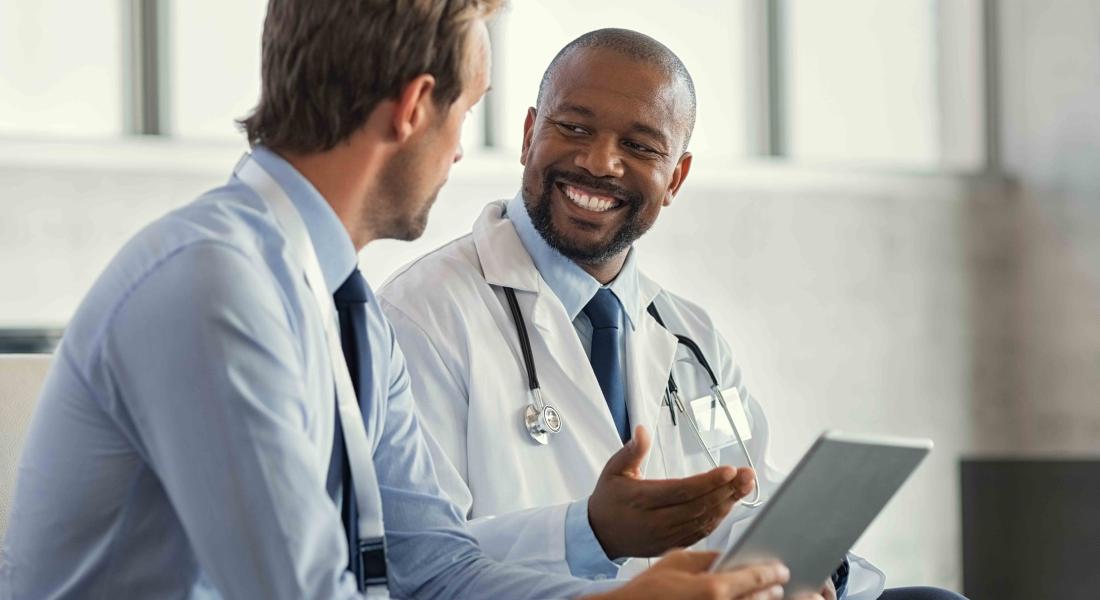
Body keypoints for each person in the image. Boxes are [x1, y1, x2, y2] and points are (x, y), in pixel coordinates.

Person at [0, 4, 813, 600]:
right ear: (415, 106)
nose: (464, 146)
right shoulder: (215, 288)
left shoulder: (343, 309)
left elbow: (433, 572)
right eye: (466, 109)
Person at [377, 29, 967, 600]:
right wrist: (590, 532)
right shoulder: (423, 316)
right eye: (574, 127)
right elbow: (418, 565)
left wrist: (815, 574)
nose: (600, 162)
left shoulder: (691, 339)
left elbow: (743, 492)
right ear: (530, 133)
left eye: (639, 146)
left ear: (675, 177)